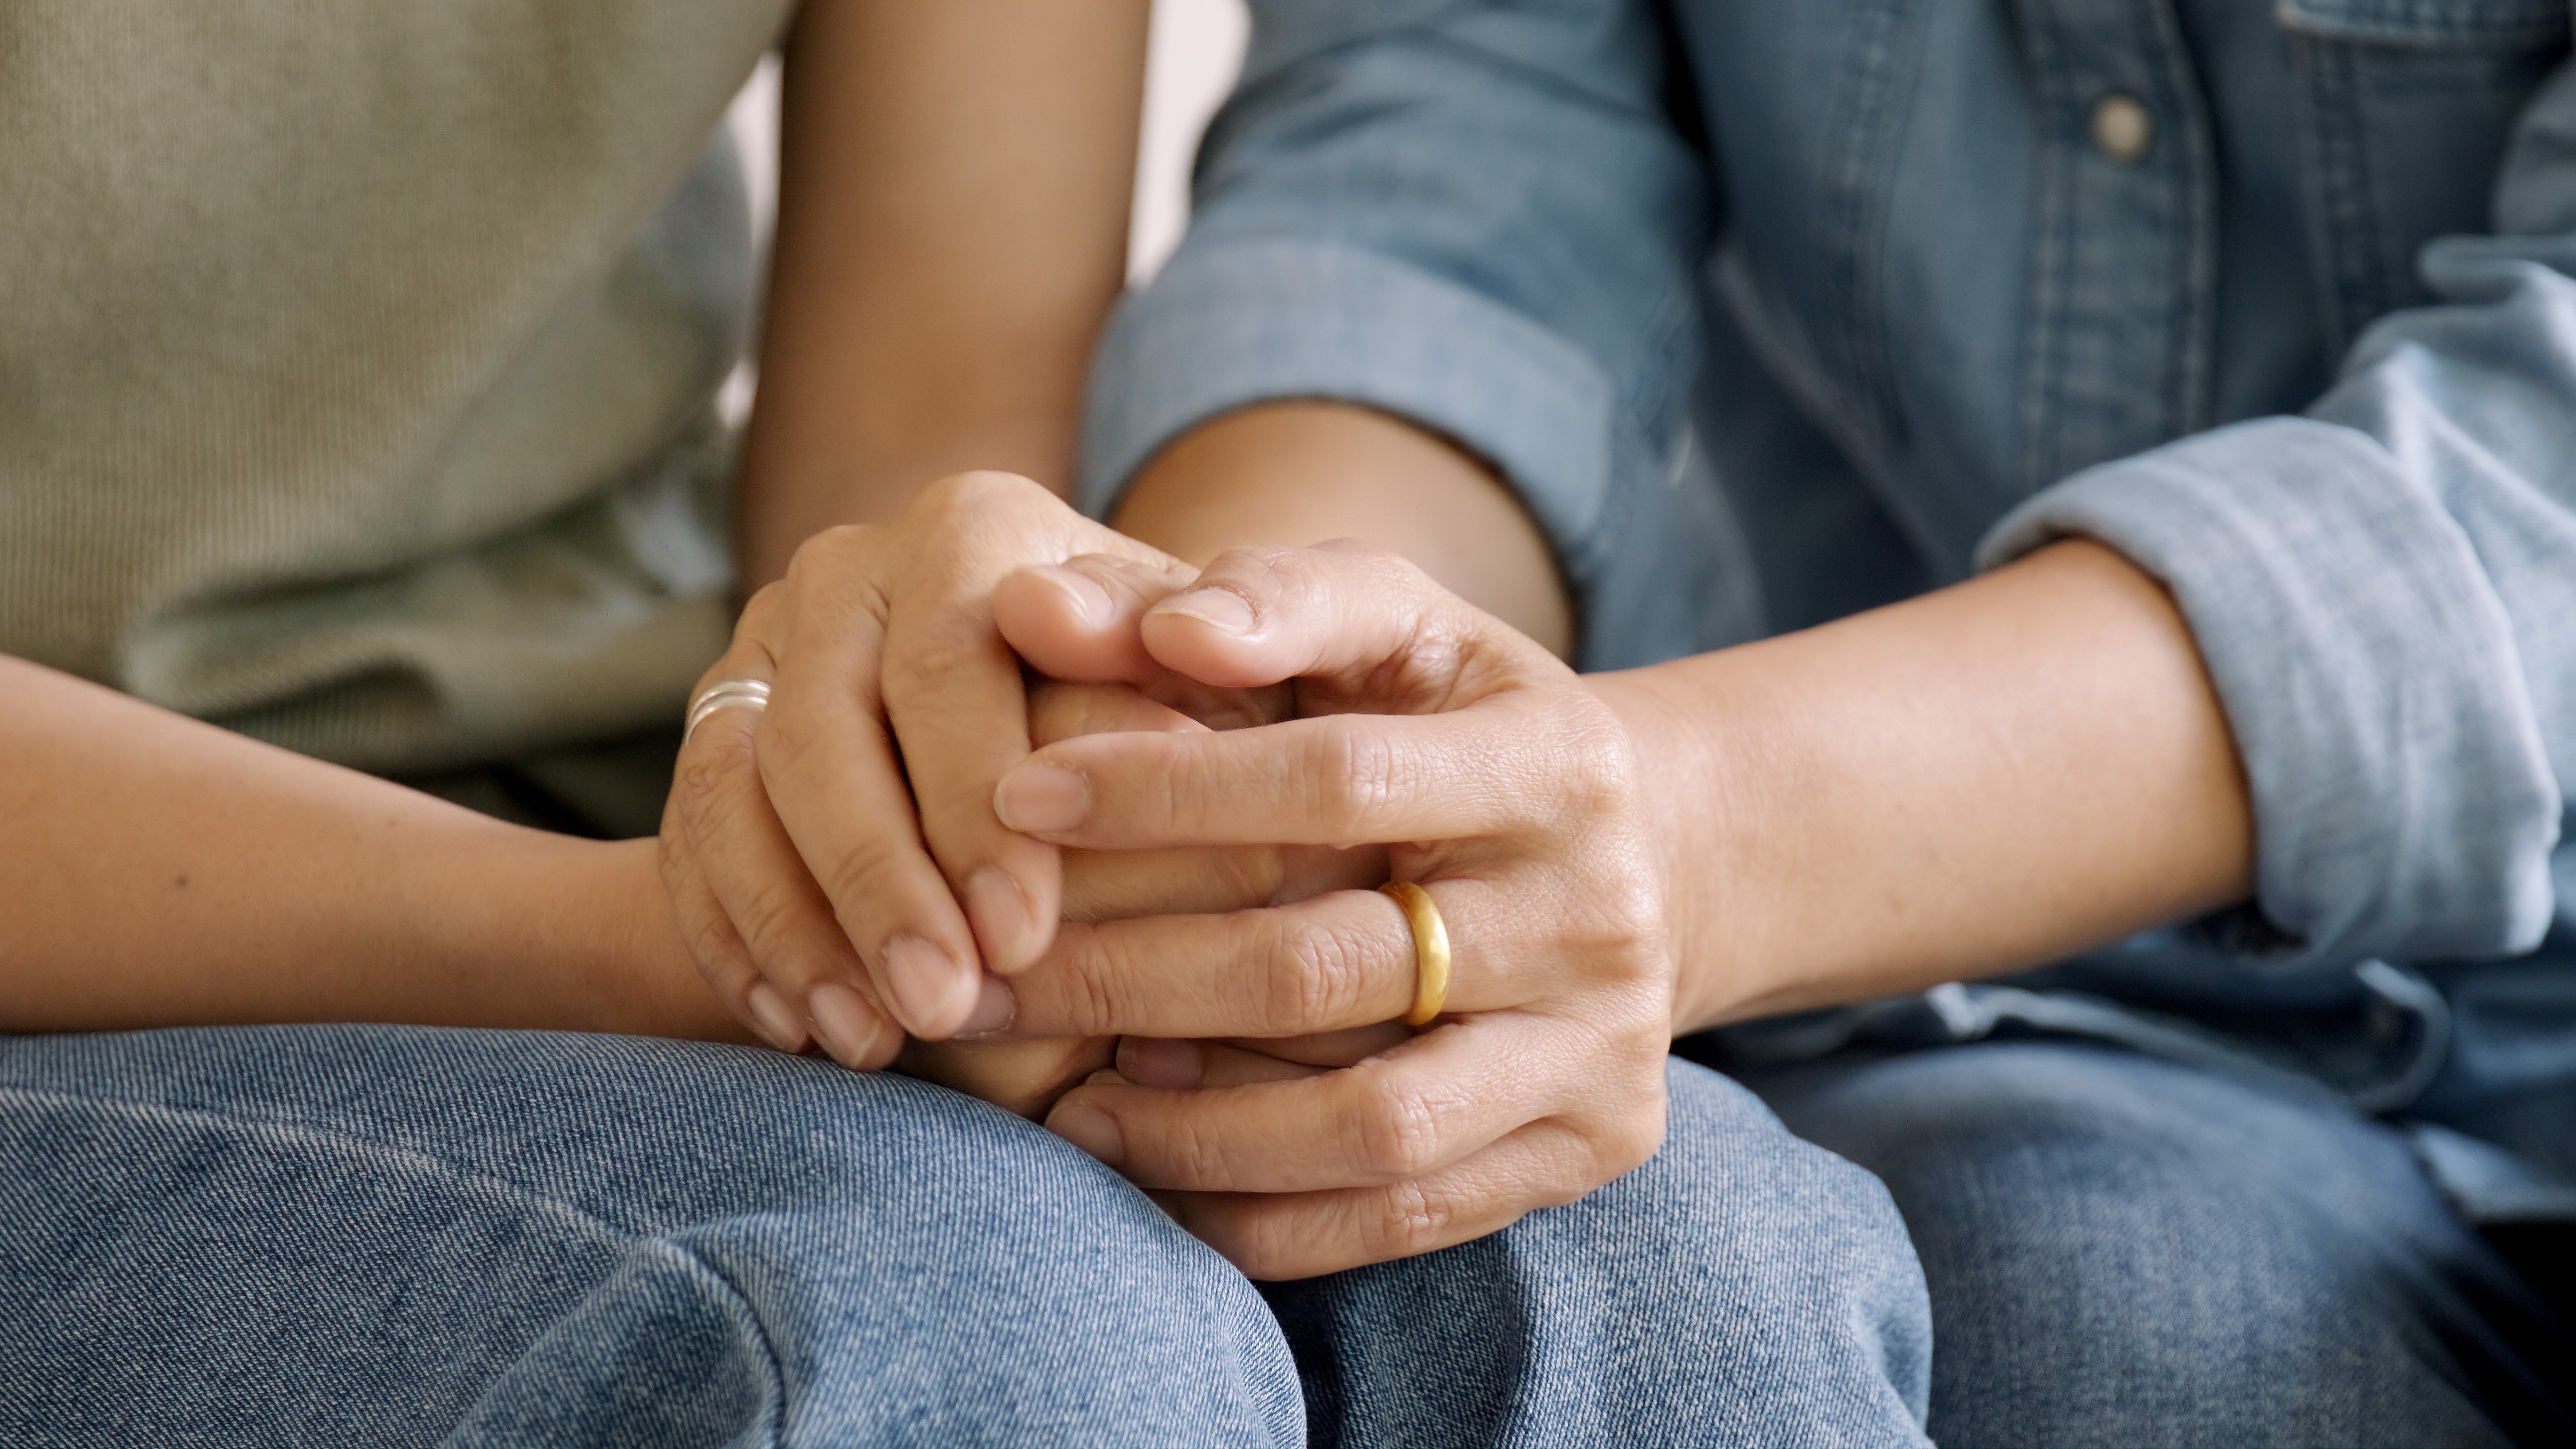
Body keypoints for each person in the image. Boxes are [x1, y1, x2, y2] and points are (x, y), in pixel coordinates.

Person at [0, 3, 1937, 1443]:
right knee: (977, 1334)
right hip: (170, 931)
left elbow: (920, 465)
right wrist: (711, 945)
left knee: (1641, 1247)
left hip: (647, 825)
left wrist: (1016, 814)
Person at [672, 1, 2576, 1444]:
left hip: (2452, 1010)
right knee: (1997, 1293)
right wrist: (1268, 702)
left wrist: (1678, 828)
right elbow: (1435, 190)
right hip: (1958, 1009)